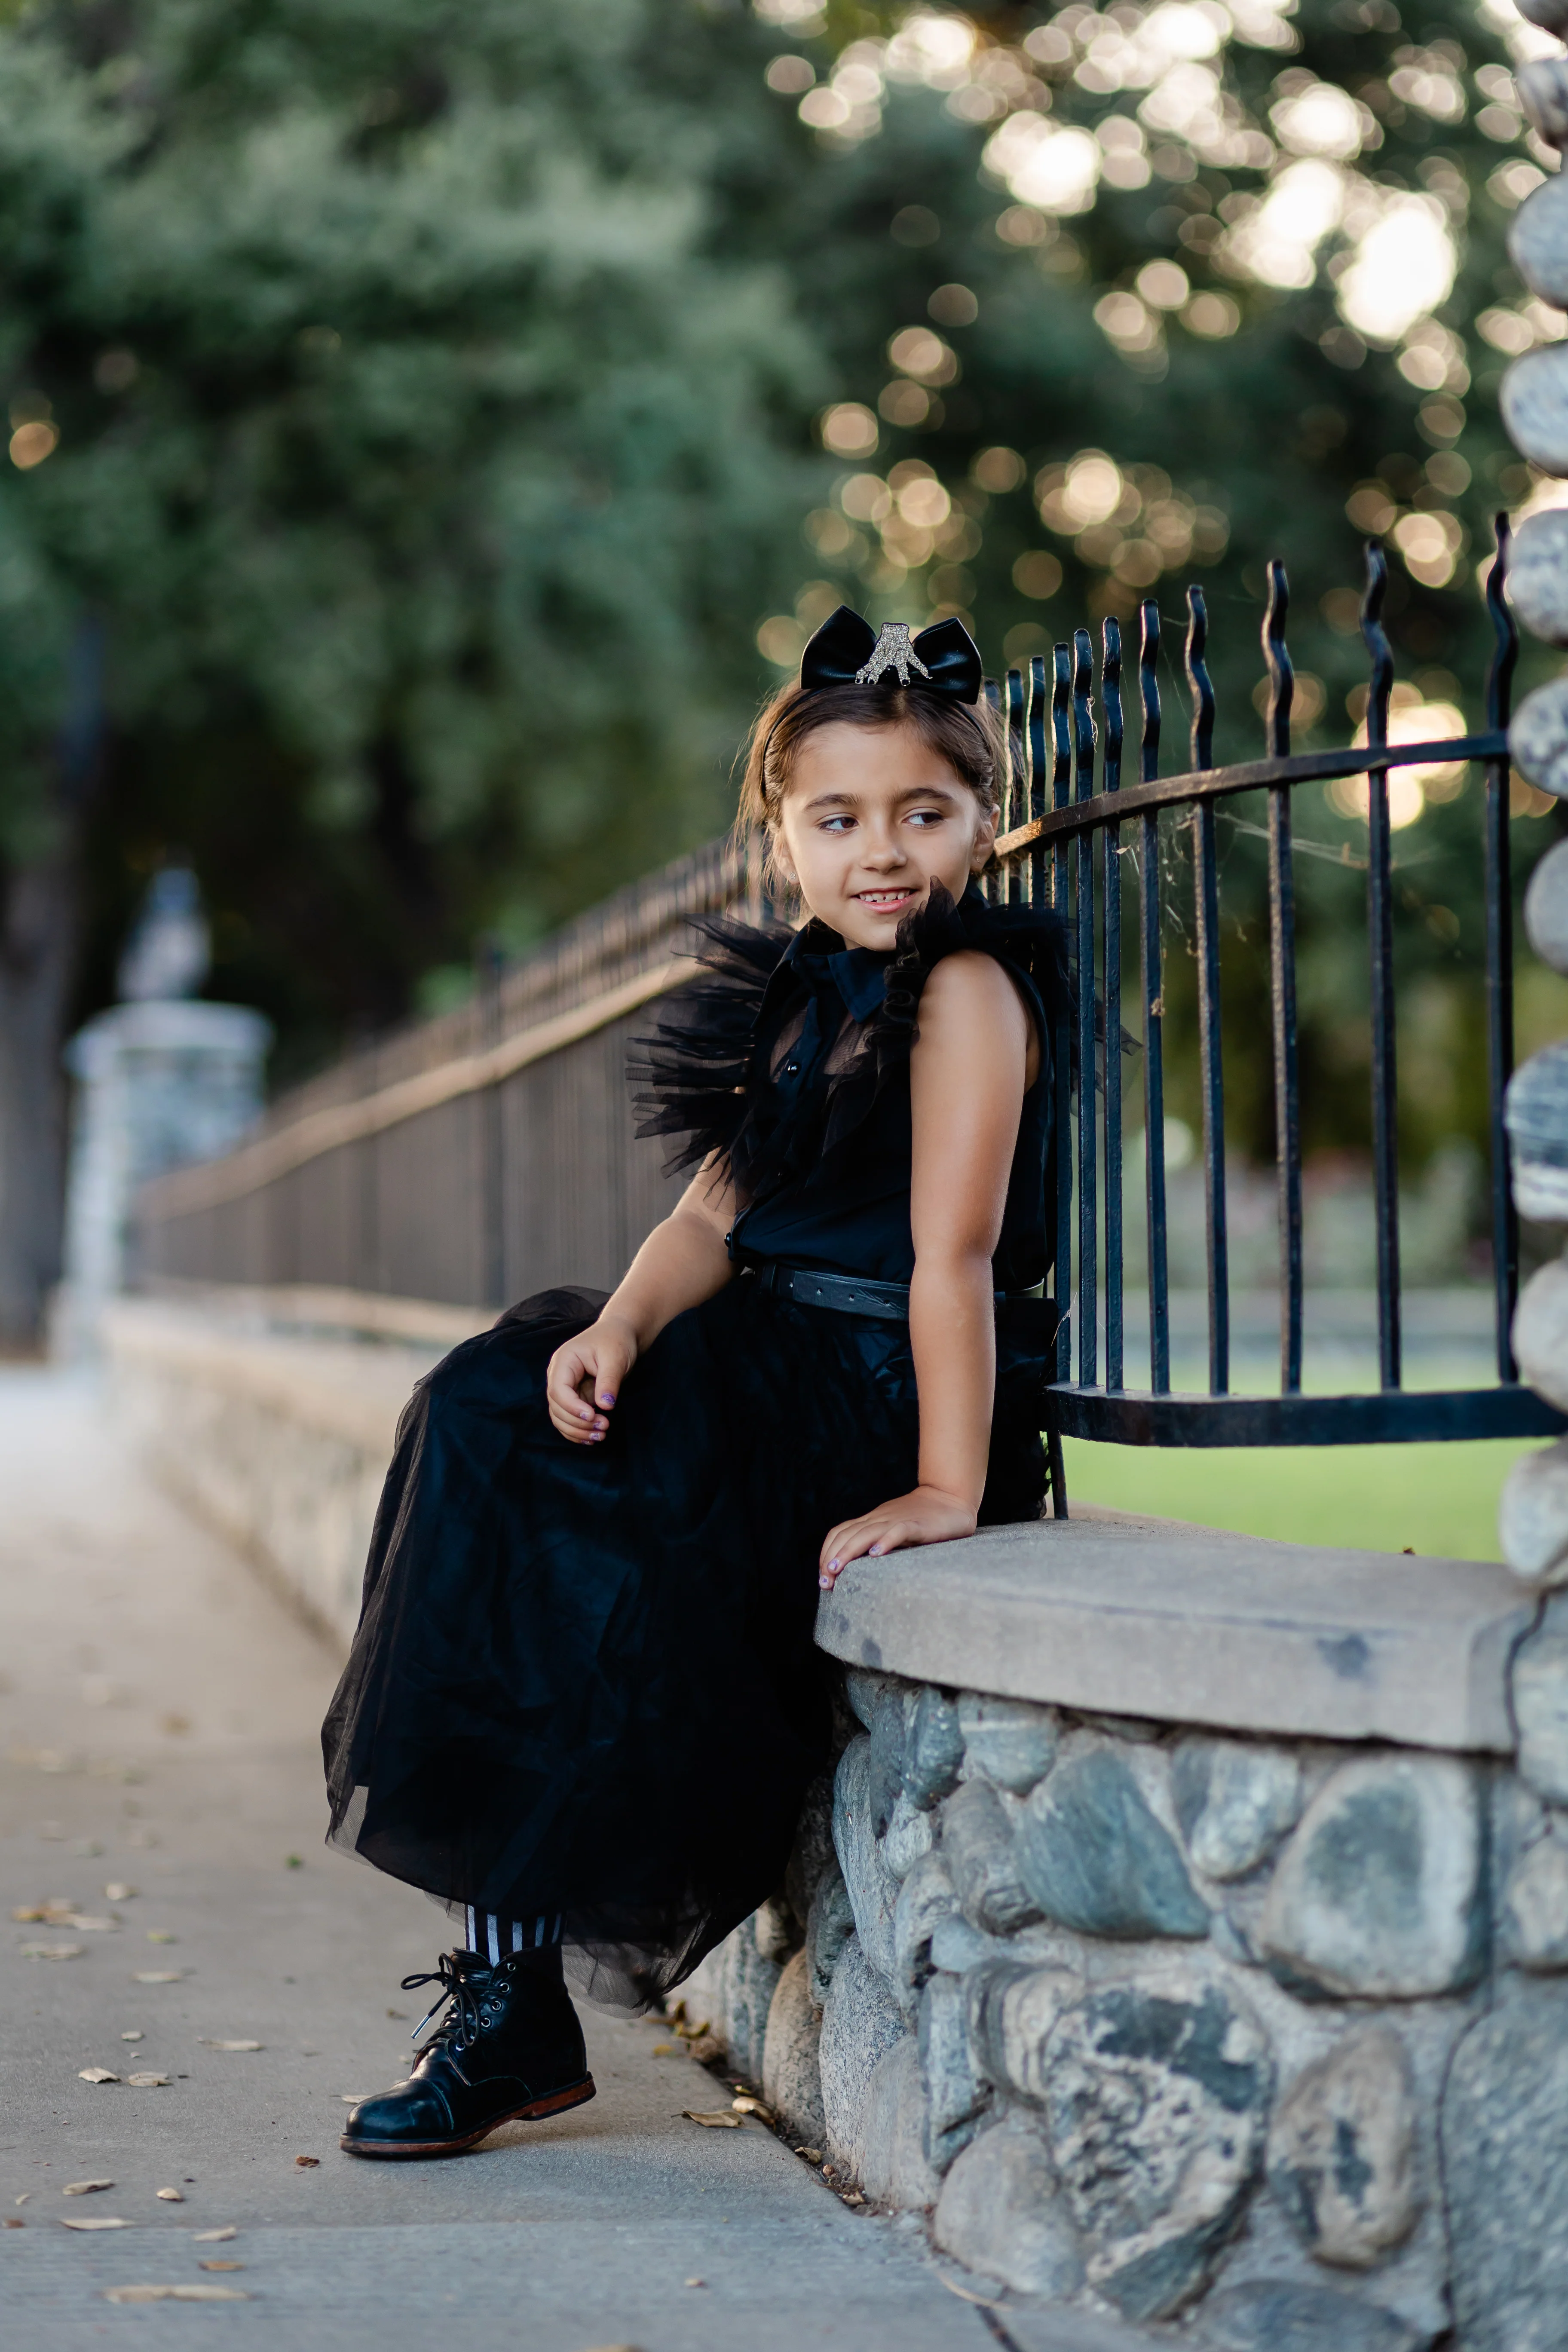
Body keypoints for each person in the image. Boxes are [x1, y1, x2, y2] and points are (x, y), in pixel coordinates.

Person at [322, 606, 1068, 2159]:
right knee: (489, 1410)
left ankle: (512, 2008)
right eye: (839, 818)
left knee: (594, 1524)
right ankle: (510, 1991)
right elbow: (710, 1219)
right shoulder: (801, 989)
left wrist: (945, 1485)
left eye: (924, 814)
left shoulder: (966, 994)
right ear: (783, 834)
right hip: (760, 1358)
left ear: (982, 825)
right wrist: (618, 1329)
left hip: (873, 1380)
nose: (883, 851)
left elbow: (954, 1260)